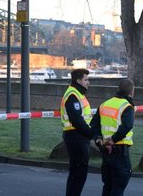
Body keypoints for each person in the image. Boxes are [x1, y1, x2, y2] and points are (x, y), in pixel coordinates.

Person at [91, 79, 135, 196]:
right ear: (132, 92)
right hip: (120, 150)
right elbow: (127, 125)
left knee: (108, 184)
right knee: (119, 184)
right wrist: (113, 139)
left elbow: (94, 123)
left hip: (106, 150)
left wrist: (98, 138)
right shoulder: (127, 106)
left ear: (118, 89)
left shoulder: (105, 104)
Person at [60, 68, 93, 196]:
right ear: (78, 80)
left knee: (76, 174)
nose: (88, 82)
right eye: (86, 80)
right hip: (76, 136)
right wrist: (92, 133)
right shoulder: (73, 95)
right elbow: (77, 120)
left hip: (77, 136)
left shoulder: (78, 94)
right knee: (79, 174)